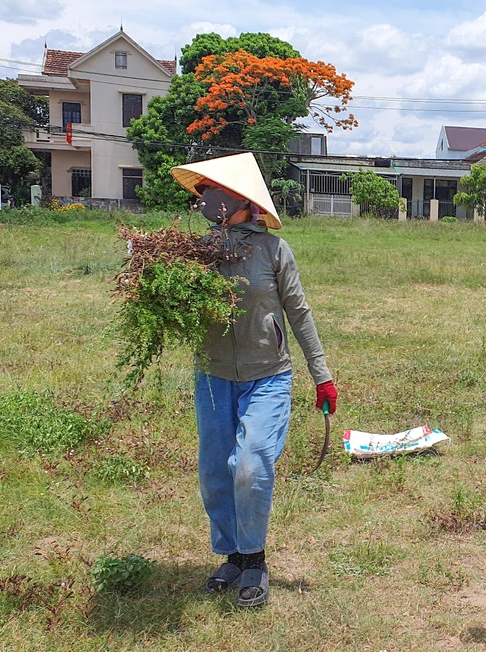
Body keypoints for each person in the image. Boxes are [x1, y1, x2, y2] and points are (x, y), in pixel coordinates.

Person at [171, 153, 338, 608]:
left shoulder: (274, 251)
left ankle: (254, 558)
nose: (208, 201)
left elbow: (299, 315)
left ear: (244, 201)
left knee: (251, 466)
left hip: (267, 376)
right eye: (204, 193)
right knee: (213, 472)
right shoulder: (197, 252)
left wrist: (321, 376)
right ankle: (230, 555)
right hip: (213, 375)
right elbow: (175, 304)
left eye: (217, 193)